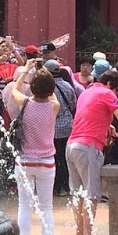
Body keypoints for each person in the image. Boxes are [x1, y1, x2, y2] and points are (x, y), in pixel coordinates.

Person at [66, 62, 118, 235]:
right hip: (88, 147)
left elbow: (88, 115)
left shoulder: (86, 92)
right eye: (116, 89)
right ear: (110, 84)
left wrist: (106, 125)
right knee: (92, 194)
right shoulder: (107, 93)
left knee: (78, 193)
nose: (116, 93)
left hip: (71, 146)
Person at [3, 59, 60, 235]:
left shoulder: (25, 103)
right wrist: (43, 72)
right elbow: (50, 92)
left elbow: (14, 89)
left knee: (24, 206)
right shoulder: (54, 106)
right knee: (46, 207)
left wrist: (26, 70)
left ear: (32, 87)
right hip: (47, 162)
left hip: (25, 162)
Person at [45, 61, 79, 196]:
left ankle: (58, 186)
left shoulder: (46, 88)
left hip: (52, 128)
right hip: (68, 127)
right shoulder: (67, 86)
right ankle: (67, 185)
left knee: (55, 158)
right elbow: (73, 104)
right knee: (66, 158)